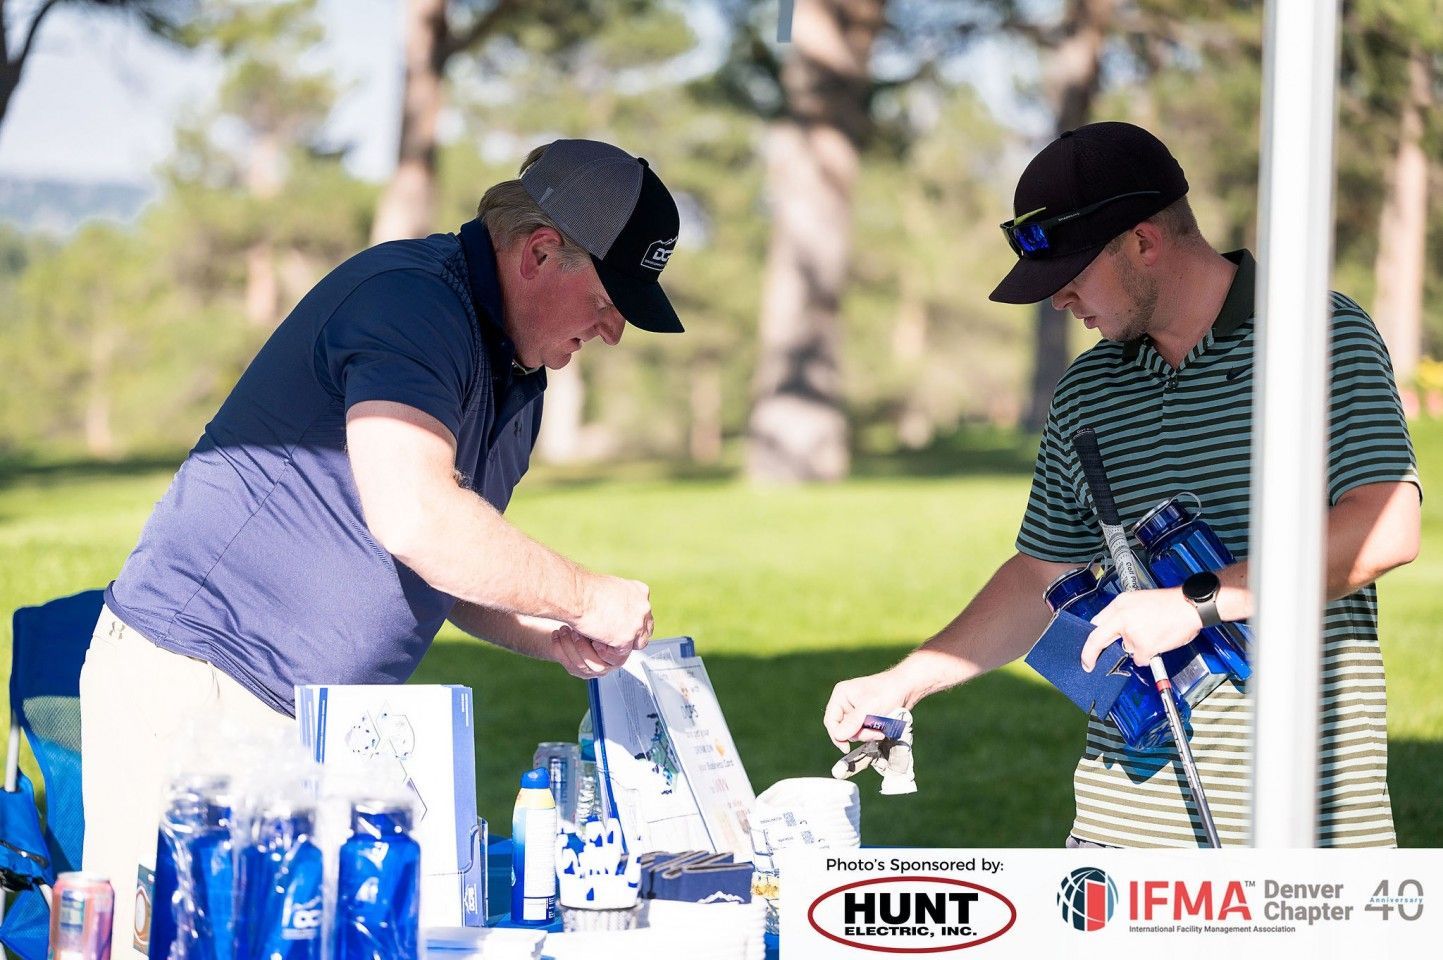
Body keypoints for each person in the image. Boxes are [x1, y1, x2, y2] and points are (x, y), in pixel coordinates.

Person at [80, 139, 685, 947]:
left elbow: (451, 566)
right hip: (198, 685)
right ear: (540, 253)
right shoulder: (410, 303)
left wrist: (552, 632)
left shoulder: (519, 376)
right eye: (611, 300)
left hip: (307, 723)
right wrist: (584, 593)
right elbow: (418, 520)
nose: (612, 332)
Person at [824, 121, 1421, 848]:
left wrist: (1196, 602)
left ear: (1142, 242)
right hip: (1117, 835)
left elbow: (1384, 528)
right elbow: (1041, 575)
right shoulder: (1088, 390)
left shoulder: (1317, 335)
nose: (1057, 301)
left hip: (1306, 826)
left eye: (1071, 274)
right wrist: (902, 683)